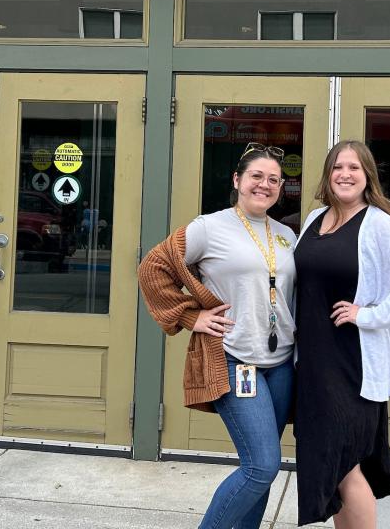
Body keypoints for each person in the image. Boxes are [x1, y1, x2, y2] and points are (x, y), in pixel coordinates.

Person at [137, 143, 297, 529]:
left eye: (274, 179)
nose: (265, 184)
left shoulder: (287, 234)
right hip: (235, 360)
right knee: (261, 466)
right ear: (238, 180)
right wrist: (192, 316)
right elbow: (153, 267)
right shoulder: (210, 227)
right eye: (257, 176)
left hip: (281, 365)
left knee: (262, 470)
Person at [293, 140, 390, 529]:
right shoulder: (314, 219)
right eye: (338, 167)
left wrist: (371, 315)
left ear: (367, 176)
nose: (345, 174)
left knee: (345, 465)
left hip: (352, 365)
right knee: (335, 464)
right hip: (313, 363)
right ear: (327, 175)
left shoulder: (379, 224)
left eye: (354, 168)